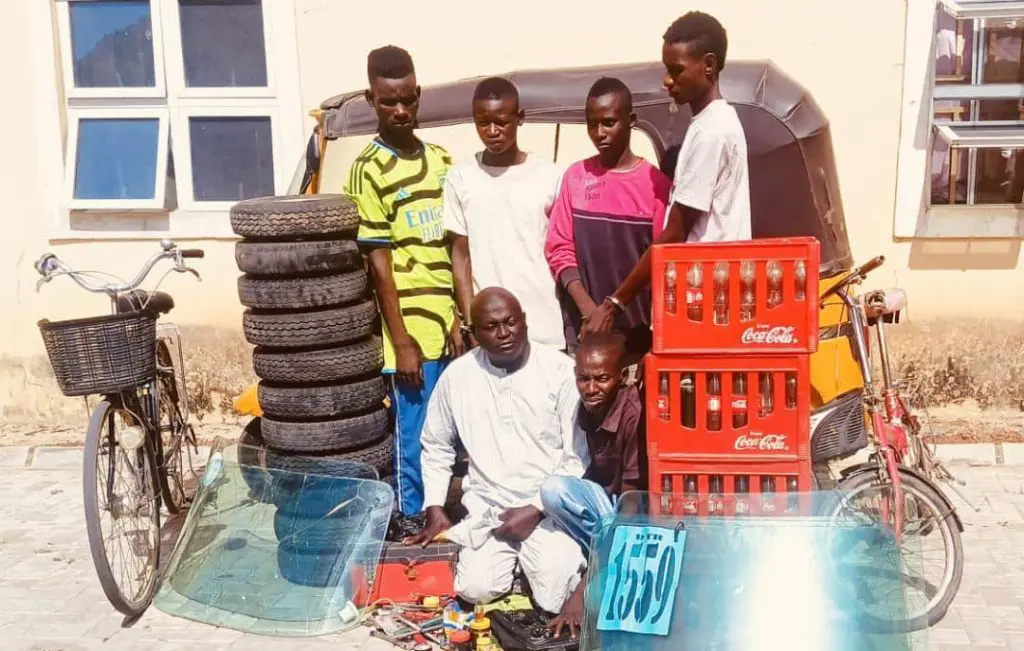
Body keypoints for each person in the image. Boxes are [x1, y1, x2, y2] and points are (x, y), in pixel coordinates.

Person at [406, 288, 589, 615]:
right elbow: (435, 444)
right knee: (476, 588)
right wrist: (434, 506)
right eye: (491, 327)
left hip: (547, 512)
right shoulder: (457, 377)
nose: (504, 333)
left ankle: (535, 565)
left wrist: (536, 508)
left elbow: (576, 457)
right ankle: (514, 566)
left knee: (556, 594)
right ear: (474, 333)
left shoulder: (560, 371)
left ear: (525, 322)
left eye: (511, 322)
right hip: (488, 510)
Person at [581, 11, 751, 338]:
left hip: (707, 300)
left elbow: (676, 232)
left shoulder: (712, 132)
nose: (667, 81)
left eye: (676, 71)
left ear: (709, 66)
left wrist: (615, 302)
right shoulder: (710, 124)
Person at [344, 45, 458, 516]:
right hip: (409, 329)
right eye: (389, 101)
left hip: (449, 324)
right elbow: (379, 264)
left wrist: (460, 318)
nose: (400, 110)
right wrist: (403, 340)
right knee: (415, 433)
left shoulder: (442, 159)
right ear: (372, 99)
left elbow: (455, 249)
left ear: (419, 95)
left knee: (454, 431)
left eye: (408, 99)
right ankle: (414, 519)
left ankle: (447, 514)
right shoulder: (368, 169)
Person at [544, 77, 671, 361]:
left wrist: (613, 310)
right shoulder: (576, 177)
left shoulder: (655, 186)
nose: (599, 133)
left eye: (609, 123)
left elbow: (662, 260)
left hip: (635, 337)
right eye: (592, 124)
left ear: (631, 121)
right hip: (584, 334)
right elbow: (559, 248)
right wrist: (590, 311)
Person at [444, 77, 566, 353]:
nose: (492, 131)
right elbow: (461, 257)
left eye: (501, 121)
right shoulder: (461, 177)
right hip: (489, 331)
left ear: (519, 118)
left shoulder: (550, 176)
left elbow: (564, 252)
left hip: (544, 327)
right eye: (482, 122)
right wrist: (470, 322)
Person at [540, 332, 645, 638]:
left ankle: (604, 562)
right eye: (583, 379)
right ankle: (605, 557)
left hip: (629, 513)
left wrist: (580, 595)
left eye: (601, 379)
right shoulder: (582, 408)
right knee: (552, 490)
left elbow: (631, 508)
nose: (591, 389)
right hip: (605, 510)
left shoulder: (632, 415)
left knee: (613, 531)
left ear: (622, 376)